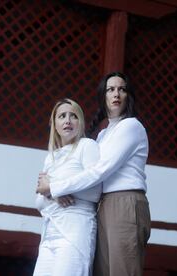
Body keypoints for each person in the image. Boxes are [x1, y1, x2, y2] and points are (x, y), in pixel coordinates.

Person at [37, 72, 151, 276]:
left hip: (125, 201)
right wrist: (54, 189)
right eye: (111, 89)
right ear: (103, 97)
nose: (116, 93)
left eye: (122, 89)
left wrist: (53, 187)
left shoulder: (131, 126)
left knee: (122, 271)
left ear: (128, 96)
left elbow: (99, 171)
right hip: (103, 206)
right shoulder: (103, 134)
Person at [33, 98, 101, 276]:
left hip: (74, 233)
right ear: (54, 124)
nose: (68, 121)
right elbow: (39, 202)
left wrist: (52, 187)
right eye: (62, 116)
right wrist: (53, 194)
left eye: (73, 116)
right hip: (49, 235)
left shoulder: (87, 146)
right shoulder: (51, 158)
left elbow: (95, 191)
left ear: (81, 123)